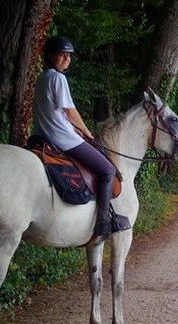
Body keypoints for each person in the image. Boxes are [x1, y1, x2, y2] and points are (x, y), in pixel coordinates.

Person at [33, 36, 130, 244]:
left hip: (44, 135)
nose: (67, 59)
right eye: (62, 55)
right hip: (63, 139)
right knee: (108, 170)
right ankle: (103, 222)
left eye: (69, 56)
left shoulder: (42, 78)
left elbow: (55, 113)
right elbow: (69, 111)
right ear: (51, 56)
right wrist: (86, 131)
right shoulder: (58, 79)